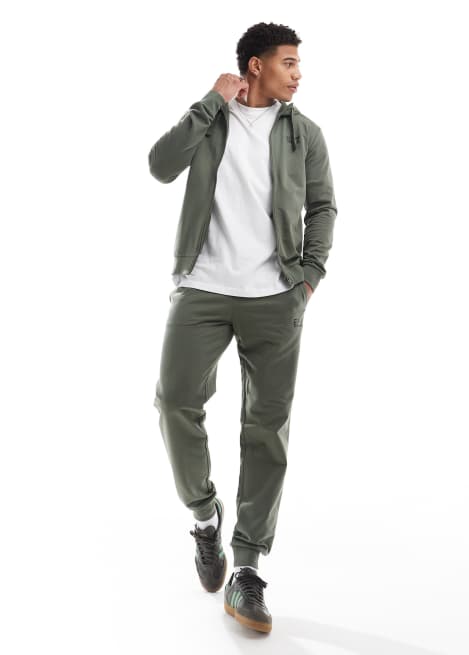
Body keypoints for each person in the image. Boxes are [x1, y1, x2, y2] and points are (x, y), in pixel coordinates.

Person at [149, 21, 337, 634]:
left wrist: (308, 277)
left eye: (298, 64)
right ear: (256, 66)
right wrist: (210, 100)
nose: (298, 74)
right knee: (175, 401)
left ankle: (248, 569)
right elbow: (160, 165)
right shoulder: (212, 119)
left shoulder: (304, 134)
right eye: (289, 63)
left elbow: (323, 206)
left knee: (266, 431)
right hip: (202, 288)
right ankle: (205, 519)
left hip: (275, 298)